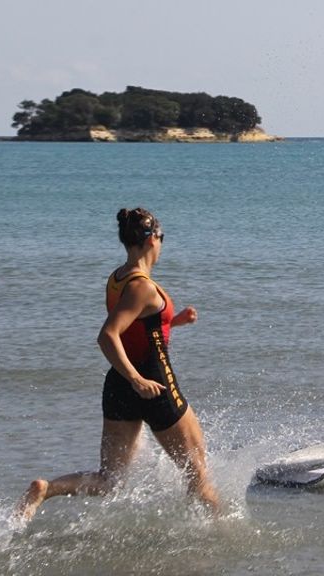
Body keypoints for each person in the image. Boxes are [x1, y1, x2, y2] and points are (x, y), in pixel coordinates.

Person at [15, 208, 220, 522]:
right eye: (162, 238)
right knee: (198, 475)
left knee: (110, 480)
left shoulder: (118, 278)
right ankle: (225, 536)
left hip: (119, 387)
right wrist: (138, 379)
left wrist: (174, 322)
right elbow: (108, 336)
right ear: (152, 239)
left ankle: (47, 489)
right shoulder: (142, 287)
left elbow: (137, 328)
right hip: (154, 386)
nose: (162, 245)